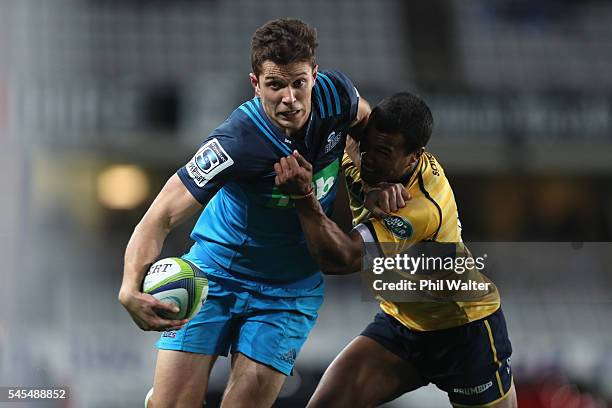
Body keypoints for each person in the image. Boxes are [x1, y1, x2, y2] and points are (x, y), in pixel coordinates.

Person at [118, 18, 403, 408]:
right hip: (216, 275)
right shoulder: (235, 142)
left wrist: (369, 183)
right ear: (256, 84)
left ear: (314, 76)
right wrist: (128, 287)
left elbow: (365, 123)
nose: (289, 98)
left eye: (299, 82)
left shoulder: (338, 96)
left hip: (289, 292)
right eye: (275, 85)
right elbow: (160, 216)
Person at [274, 92, 517, 408]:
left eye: (384, 152)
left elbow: (342, 258)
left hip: (464, 331)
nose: (371, 158)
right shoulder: (364, 150)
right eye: (368, 145)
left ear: (413, 157)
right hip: (402, 325)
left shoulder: (419, 208)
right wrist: (372, 183)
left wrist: (304, 197)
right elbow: (354, 110)